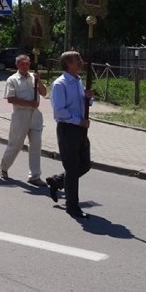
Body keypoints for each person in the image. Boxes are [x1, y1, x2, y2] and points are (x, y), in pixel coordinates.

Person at [46, 51, 94, 219]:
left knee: (85, 164)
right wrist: (77, 121)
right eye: (77, 60)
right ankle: (72, 206)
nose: (80, 62)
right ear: (68, 63)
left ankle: (58, 181)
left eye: (80, 58)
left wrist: (88, 98)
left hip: (80, 128)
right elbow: (59, 111)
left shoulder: (78, 81)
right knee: (72, 169)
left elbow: (82, 102)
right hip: (68, 129)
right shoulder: (60, 84)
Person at [0, 54, 48, 186]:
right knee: (16, 144)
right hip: (20, 114)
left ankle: (34, 176)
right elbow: (10, 98)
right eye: (22, 64)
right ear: (17, 65)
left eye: (27, 63)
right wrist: (28, 103)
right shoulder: (12, 79)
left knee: (36, 145)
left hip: (35, 115)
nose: (25, 66)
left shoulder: (33, 77)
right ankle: (4, 167)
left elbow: (44, 93)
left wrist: (40, 81)